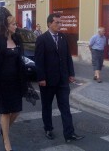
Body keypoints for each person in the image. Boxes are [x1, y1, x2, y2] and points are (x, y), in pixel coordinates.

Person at [35, 13, 84, 143]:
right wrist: (41, 78)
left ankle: (69, 133)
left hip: (62, 80)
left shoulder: (63, 37)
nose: (59, 25)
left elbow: (68, 57)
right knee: (47, 106)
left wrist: (71, 74)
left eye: (60, 22)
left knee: (65, 107)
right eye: (57, 22)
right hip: (48, 81)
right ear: (49, 24)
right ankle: (48, 128)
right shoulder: (42, 39)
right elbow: (39, 61)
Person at [0, 7, 28, 151]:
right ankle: (6, 141)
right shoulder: (0, 42)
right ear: (7, 26)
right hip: (3, 82)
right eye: (14, 24)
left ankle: (4, 130)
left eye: (16, 24)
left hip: (16, 81)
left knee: (16, 111)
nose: (16, 26)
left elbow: (20, 61)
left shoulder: (17, 40)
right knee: (5, 112)